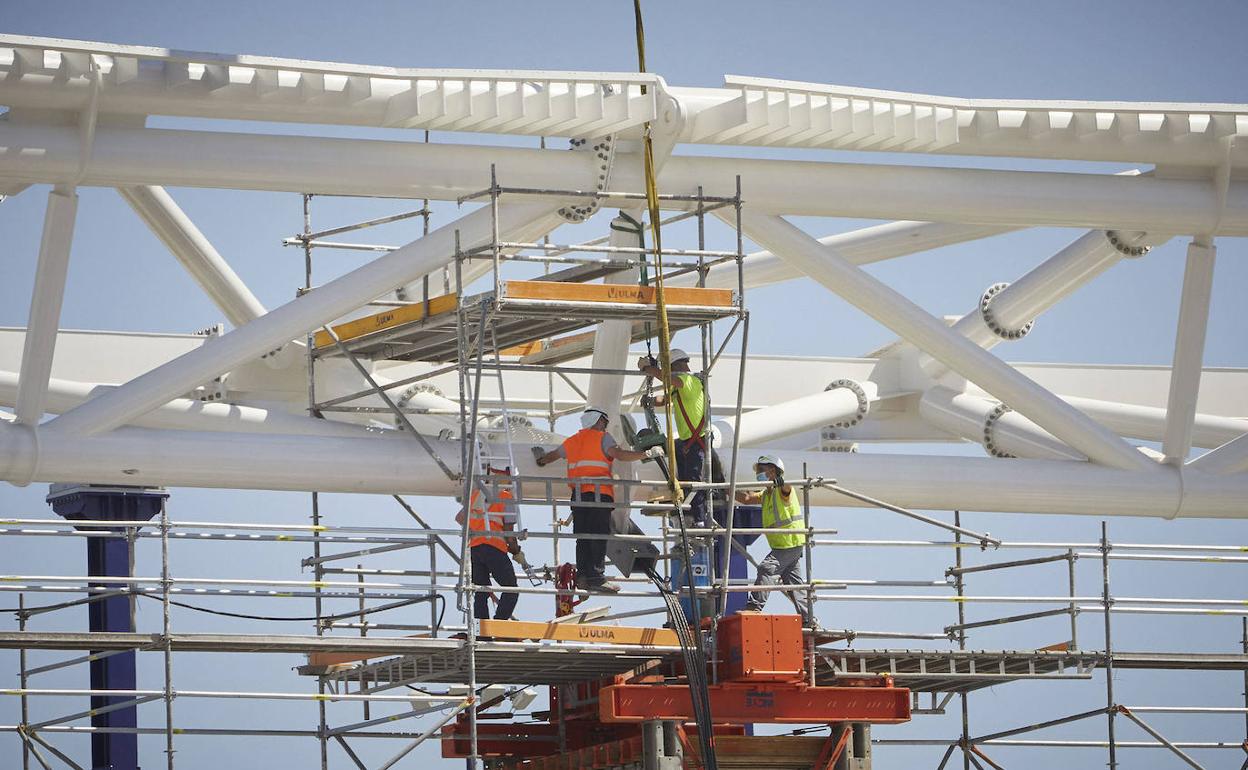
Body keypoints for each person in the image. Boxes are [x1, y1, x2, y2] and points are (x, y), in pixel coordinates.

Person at [534, 407, 659, 593]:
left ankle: (583, 577)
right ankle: (596, 578)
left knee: (583, 538)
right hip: (599, 494)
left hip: (578, 496)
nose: (606, 426)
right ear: (598, 420)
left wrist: (540, 459)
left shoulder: (573, 441)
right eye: (605, 422)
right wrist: (646, 454)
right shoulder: (603, 438)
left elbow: (551, 457)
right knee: (599, 536)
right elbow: (620, 455)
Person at [734, 454, 813, 626]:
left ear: (772, 470)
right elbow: (747, 499)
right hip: (784, 545)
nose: (759, 474)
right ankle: (809, 620)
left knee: (766, 568)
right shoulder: (767, 493)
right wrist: (726, 488)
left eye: (762, 470)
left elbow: (788, 487)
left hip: (790, 542)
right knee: (795, 585)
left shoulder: (782, 490)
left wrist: (781, 481)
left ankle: (754, 607)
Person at [637, 348, 711, 523]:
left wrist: (648, 369)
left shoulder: (689, 381)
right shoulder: (680, 385)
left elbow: (668, 379)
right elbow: (667, 399)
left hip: (696, 440)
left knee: (693, 480)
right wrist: (651, 401)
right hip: (687, 441)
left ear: (676, 365)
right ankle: (686, 512)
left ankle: (698, 519)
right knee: (685, 478)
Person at [455, 464, 520, 622]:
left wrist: (474, 528)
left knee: (481, 591)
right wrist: (515, 550)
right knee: (511, 589)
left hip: (476, 548)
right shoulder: (506, 497)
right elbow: (509, 532)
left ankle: (480, 630)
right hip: (494, 547)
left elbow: (460, 518)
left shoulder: (476, 495)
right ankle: (498, 624)